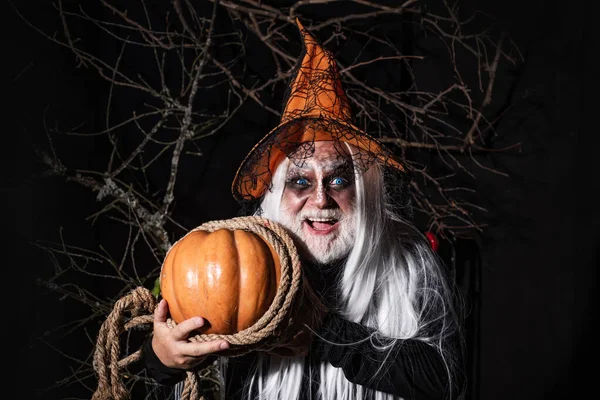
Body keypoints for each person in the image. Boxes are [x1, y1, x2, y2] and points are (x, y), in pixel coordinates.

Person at [142, 19, 466, 400]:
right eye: (300, 182)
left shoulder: (408, 262)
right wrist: (161, 358)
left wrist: (319, 326)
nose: (320, 200)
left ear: (364, 191)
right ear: (277, 193)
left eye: (339, 181)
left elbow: (442, 378)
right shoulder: (239, 263)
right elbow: (170, 370)